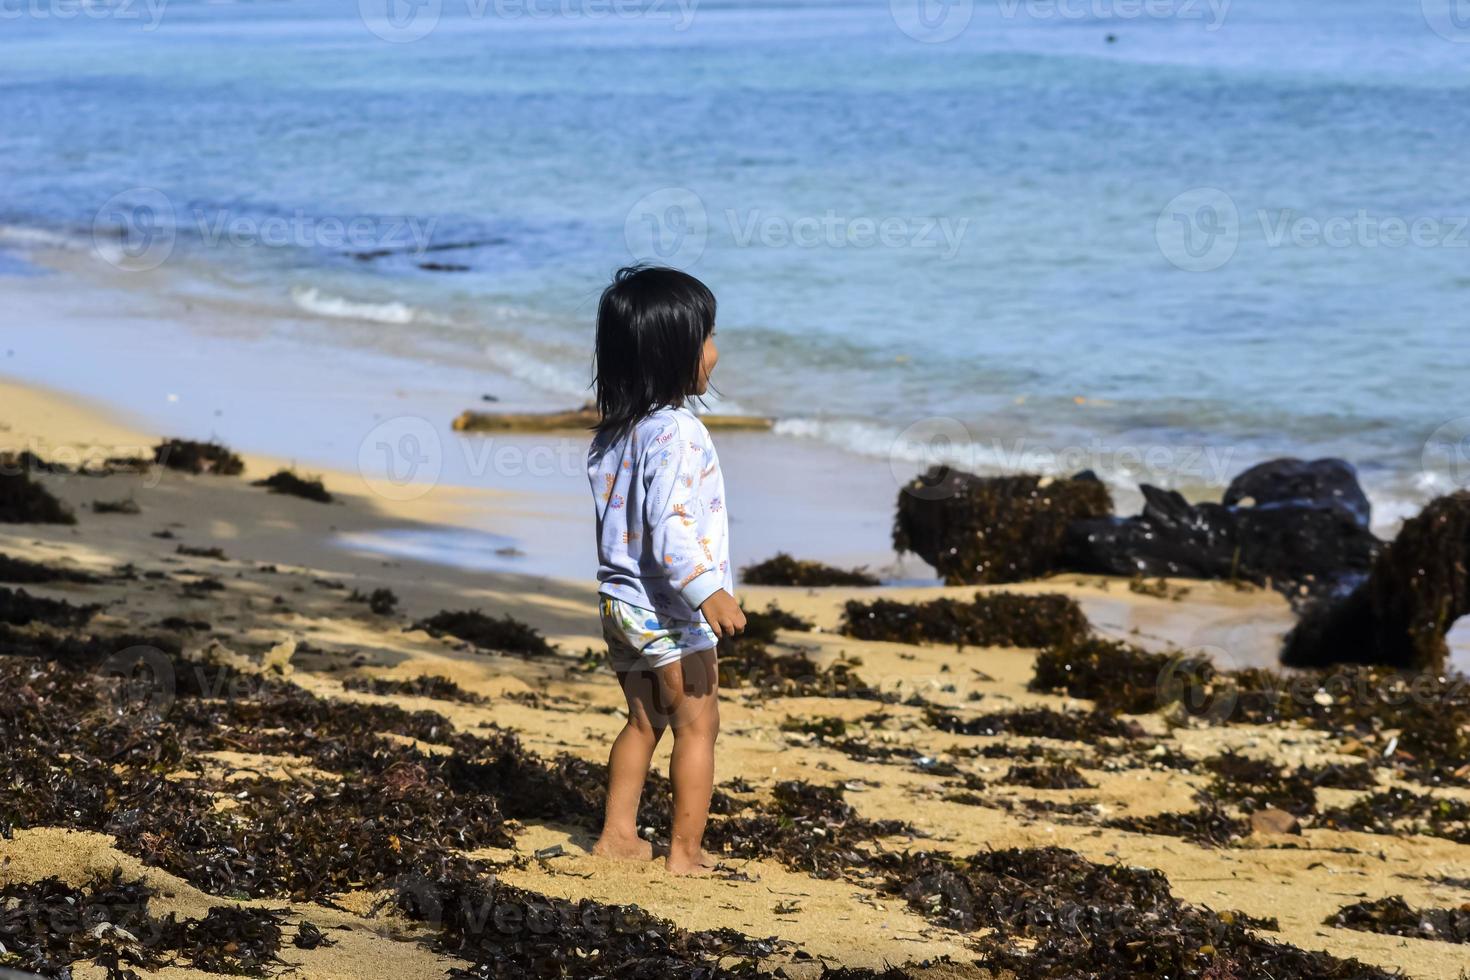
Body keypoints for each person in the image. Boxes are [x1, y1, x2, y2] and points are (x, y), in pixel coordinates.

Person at [585, 264, 746, 875]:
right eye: (707, 337)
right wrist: (710, 593)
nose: (715, 351)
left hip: (618, 604)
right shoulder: (679, 432)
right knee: (698, 723)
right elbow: (671, 527)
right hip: (669, 607)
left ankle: (617, 836)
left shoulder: (614, 434)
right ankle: (686, 852)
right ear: (677, 351)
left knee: (642, 720)